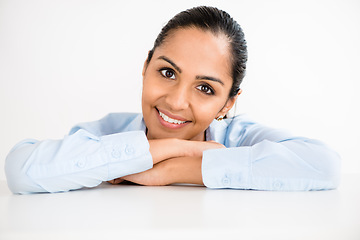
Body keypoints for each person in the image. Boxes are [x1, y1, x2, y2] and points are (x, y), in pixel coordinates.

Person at [5, 6, 341, 194]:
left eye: (206, 88)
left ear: (227, 104)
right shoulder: (108, 131)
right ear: (146, 65)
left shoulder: (240, 139)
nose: (177, 101)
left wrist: (177, 171)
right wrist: (182, 148)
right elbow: (20, 169)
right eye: (167, 73)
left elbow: (325, 166)